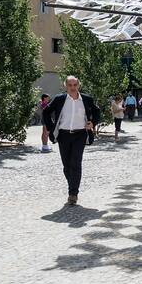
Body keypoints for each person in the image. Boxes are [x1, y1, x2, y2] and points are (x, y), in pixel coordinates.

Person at [42, 76, 101, 206]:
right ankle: (73, 185)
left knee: (76, 162)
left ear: (78, 85)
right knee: (67, 166)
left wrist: (93, 123)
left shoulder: (86, 99)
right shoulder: (59, 99)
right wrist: (52, 128)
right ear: (66, 86)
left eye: (75, 85)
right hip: (63, 135)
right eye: (70, 85)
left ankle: (73, 193)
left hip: (80, 134)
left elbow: (97, 111)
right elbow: (46, 112)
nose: (73, 87)